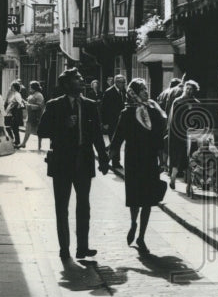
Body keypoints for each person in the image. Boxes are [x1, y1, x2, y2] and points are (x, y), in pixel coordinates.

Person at [38, 67, 111, 269]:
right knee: (62, 208)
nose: (81, 82)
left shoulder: (90, 105)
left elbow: (96, 134)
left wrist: (104, 160)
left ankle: (83, 247)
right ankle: (64, 248)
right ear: (67, 84)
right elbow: (42, 130)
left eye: (81, 78)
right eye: (77, 79)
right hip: (61, 162)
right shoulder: (54, 106)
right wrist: (62, 125)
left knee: (84, 206)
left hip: (83, 161)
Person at [109, 78, 168, 253]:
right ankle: (133, 223)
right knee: (135, 197)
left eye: (146, 88)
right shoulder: (127, 113)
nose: (146, 91)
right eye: (142, 89)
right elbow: (118, 136)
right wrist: (109, 157)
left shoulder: (153, 110)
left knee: (148, 199)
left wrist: (162, 160)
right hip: (133, 159)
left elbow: (158, 138)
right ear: (133, 92)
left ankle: (142, 236)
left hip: (149, 158)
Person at [167, 79, 201, 188]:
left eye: (191, 89)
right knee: (177, 157)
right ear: (184, 89)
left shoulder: (196, 103)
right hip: (177, 134)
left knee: (190, 157)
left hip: (191, 135)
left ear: (194, 91)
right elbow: (173, 119)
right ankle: (173, 177)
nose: (189, 91)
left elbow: (198, 120)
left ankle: (189, 184)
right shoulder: (177, 101)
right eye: (187, 88)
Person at [100, 74, 128, 146]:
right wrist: (105, 122)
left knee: (118, 143)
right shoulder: (109, 92)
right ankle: (113, 156)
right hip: (112, 121)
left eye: (124, 82)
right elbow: (103, 108)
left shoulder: (123, 91)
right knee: (113, 143)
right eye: (123, 82)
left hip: (121, 121)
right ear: (117, 82)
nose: (124, 84)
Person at [21, 81, 46, 152]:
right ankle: (23, 143)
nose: (29, 88)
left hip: (36, 115)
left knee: (38, 131)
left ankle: (39, 145)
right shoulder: (33, 94)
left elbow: (40, 106)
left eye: (30, 87)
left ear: (34, 88)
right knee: (27, 130)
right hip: (30, 115)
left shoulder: (39, 95)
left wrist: (29, 105)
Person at [4, 81, 26, 148]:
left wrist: (15, 112)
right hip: (9, 113)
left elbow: (20, 104)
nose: (10, 87)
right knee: (10, 127)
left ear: (14, 87)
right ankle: (13, 140)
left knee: (14, 128)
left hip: (13, 114)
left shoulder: (17, 94)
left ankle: (16, 142)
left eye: (12, 86)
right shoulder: (13, 94)